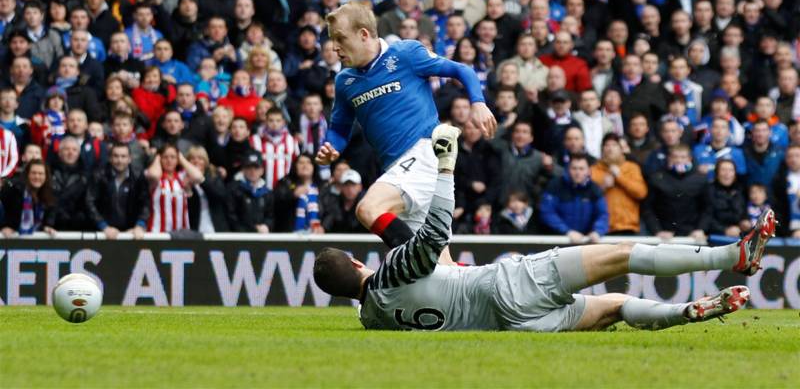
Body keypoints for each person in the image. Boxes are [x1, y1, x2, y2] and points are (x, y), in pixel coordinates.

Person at [313, 125, 775, 332]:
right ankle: (731, 256)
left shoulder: (372, 319)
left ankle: (684, 312)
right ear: (356, 262)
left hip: (514, 327)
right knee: (621, 255)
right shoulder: (391, 271)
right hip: (507, 287)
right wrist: (446, 169)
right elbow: (433, 237)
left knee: (614, 307)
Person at [315, 1, 495, 252]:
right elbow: (339, 129)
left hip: (424, 154)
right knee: (439, 267)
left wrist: (478, 103)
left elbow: (461, 70)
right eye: (332, 40)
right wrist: (331, 147)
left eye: (340, 38)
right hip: (396, 169)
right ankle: (502, 277)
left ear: (364, 34)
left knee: (368, 208)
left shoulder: (405, 54)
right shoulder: (345, 81)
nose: (334, 47)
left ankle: (410, 260)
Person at [539, 153, 609, 243]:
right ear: (568, 169)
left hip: (586, 241)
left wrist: (597, 231)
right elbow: (547, 212)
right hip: (558, 240)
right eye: (574, 168)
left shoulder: (594, 189)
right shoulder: (555, 185)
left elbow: (602, 214)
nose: (577, 172)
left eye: (581, 169)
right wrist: (567, 231)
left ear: (588, 170)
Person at [86, 142, 149, 239]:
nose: (120, 160)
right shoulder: (98, 176)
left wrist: (139, 225)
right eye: (116, 156)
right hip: (104, 233)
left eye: (123, 156)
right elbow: (90, 202)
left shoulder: (138, 177)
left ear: (129, 159)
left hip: (131, 232)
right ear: (110, 158)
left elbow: (145, 203)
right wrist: (104, 226)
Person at [591, 134, 648, 234]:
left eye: (614, 145)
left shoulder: (632, 168)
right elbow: (587, 197)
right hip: (602, 229)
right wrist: (603, 187)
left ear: (621, 149)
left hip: (628, 227)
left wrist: (619, 176)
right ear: (602, 149)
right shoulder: (594, 170)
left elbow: (641, 193)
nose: (610, 148)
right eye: (606, 145)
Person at [144, 143, 204, 233]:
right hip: (157, 232)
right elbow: (154, 175)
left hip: (181, 233)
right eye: (165, 157)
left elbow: (199, 177)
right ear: (160, 158)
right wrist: (157, 158)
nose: (169, 160)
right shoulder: (155, 176)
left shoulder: (182, 176)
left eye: (173, 157)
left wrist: (182, 159)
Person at [0, 159, 55, 236]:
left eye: (41, 173)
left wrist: (47, 226)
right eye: (33, 173)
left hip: (37, 239)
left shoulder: (50, 194)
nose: (37, 176)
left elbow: (50, 216)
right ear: (27, 174)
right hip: (11, 237)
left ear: (46, 176)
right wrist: (4, 226)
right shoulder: (13, 190)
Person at [226, 150, 274, 233]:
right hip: (239, 236)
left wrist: (266, 225)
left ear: (262, 170)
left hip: (262, 236)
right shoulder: (233, 189)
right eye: (249, 167)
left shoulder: (267, 192)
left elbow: (270, 215)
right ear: (243, 169)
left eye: (256, 167)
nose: (253, 171)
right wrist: (252, 229)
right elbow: (231, 216)